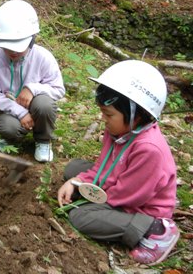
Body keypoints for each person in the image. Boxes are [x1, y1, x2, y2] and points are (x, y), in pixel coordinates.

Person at [57, 60, 179, 265]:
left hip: (141, 206)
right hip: (122, 183)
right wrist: (79, 180)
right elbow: (104, 165)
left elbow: (128, 196)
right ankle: (89, 195)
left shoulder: (149, 149)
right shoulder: (118, 130)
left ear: (136, 115)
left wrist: (88, 197)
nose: (103, 119)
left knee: (80, 217)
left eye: (109, 114)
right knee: (73, 169)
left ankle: (154, 231)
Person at [0, 0, 65, 162]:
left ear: (31, 39)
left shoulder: (43, 57)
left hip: (37, 106)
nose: (12, 51)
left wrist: (32, 89)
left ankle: (43, 140)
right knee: (8, 128)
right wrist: (21, 113)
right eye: (7, 46)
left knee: (44, 105)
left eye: (17, 46)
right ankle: (12, 139)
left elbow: (58, 89)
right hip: (9, 109)